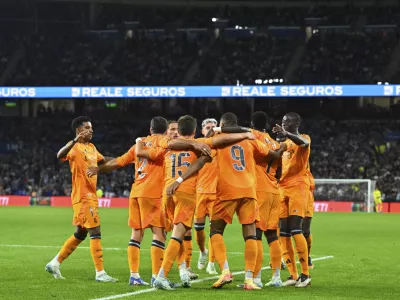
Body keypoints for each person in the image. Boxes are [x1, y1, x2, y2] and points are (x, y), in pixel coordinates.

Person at [169, 112, 286, 290]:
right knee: (251, 235)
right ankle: (249, 280)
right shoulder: (251, 139)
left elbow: (194, 154)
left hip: (226, 191)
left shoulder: (218, 138)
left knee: (215, 231)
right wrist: (283, 147)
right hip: (249, 190)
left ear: (222, 125)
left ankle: (225, 271)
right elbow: (273, 155)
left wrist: (179, 180)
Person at [87, 116, 169, 286]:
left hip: (135, 193)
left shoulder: (139, 144)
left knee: (136, 234)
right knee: (159, 233)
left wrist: (98, 169)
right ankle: (156, 277)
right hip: (153, 193)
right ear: (166, 130)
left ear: (150, 129)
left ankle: (134, 275)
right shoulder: (165, 142)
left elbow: (118, 162)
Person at [45, 116, 117, 282]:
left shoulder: (91, 147)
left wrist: (126, 158)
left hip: (90, 196)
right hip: (83, 197)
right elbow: (59, 155)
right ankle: (100, 273)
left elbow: (104, 160)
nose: (91, 130)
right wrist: (73, 141)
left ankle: (55, 263)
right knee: (95, 231)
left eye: (91, 127)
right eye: (87, 127)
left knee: (80, 233)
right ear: (78, 131)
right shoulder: (75, 147)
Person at [272, 112, 312, 288]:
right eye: (283, 122)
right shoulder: (282, 145)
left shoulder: (303, 138)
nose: (284, 124)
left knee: (296, 229)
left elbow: (303, 143)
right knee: (284, 232)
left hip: (298, 187)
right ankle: (293, 274)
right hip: (282, 188)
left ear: (297, 122)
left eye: (287, 122)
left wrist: (287, 134)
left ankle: (305, 274)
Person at [248, 111, 284, 288]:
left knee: (256, 235)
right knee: (272, 236)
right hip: (274, 191)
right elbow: (279, 171)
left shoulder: (254, 136)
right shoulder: (276, 143)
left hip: (260, 191)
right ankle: (276, 276)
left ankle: (256, 278)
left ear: (252, 124)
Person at [194, 118, 218, 275]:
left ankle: (211, 263)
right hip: (200, 192)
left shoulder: (221, 145)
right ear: (202, 130)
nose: (212, 129)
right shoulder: (198, 144)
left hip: (217, 193)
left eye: (214, 127)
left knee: (215, 230)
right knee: (198, 229)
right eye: (208, 127)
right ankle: (203, 251)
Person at [304, 164, 315, 269]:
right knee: (282, 228)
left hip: (305, 193)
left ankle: (307, 256)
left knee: (305, 231)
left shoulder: (300, 149)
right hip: (285, 189)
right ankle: (279, 259)